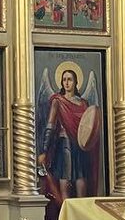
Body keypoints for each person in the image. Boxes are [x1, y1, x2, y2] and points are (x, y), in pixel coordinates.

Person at [38, 67, 99, 203]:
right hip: (64, 145)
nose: (66, 83)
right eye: (64, 80)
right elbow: (50, 126)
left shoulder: (83, 103)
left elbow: (89, 125)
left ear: (76, 82)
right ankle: (65, 213)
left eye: (70, 80)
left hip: (80, 146)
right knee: (64, 182)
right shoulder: (58, 101)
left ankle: (81, 214)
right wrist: (44, 151)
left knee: (81, 180)